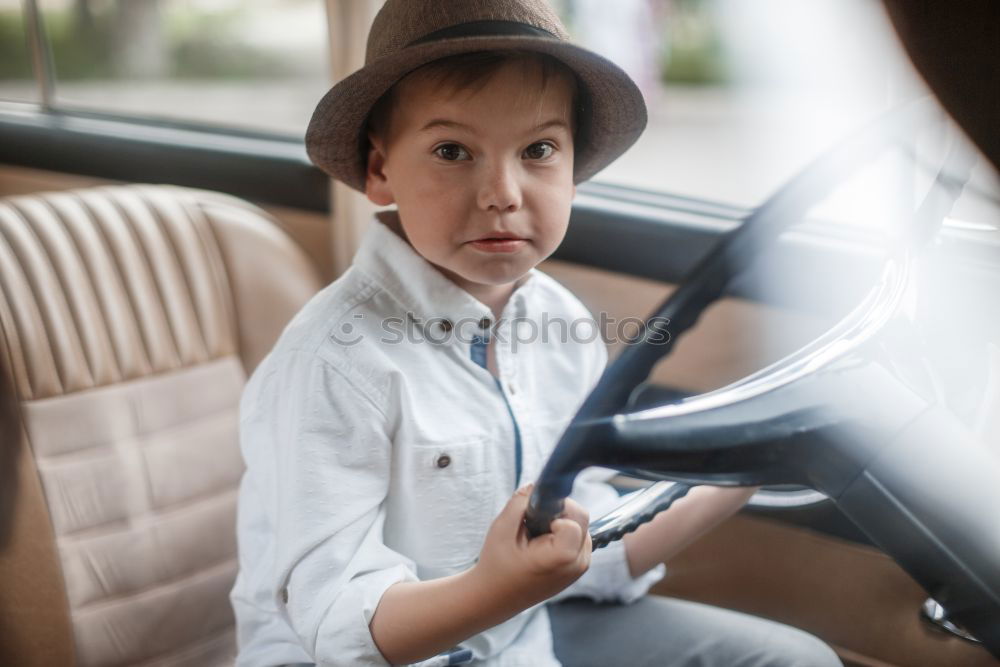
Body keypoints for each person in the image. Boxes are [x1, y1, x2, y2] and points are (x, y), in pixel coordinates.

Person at [230, 1, 842, 665]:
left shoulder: (562, 326)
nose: (503, 191)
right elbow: (341, 631)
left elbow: (584, 541)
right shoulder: (335, 362)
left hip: (520, 635)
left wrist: (748, 463)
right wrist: (496, 587)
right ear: (380, 171)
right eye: (452, 151)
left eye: (539, 150)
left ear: (575, 166)